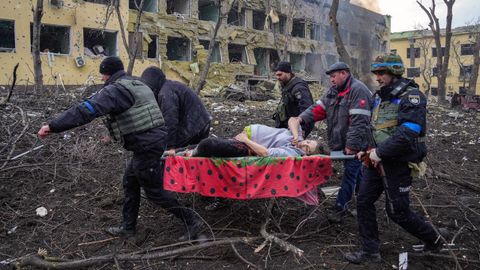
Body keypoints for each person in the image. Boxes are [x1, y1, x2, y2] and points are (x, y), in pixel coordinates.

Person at [37, 56, 203, 241]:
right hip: (151, 142)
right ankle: (128, 228)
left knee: (154, 191)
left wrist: (53, 126)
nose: (101, 79)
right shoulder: (135, 83)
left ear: (108, 75)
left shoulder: (116, 91)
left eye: (103, 75)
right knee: (130, 181)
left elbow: (86, 110)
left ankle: (192, 220)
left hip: (147, 145)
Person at [344, 54, 446, 263]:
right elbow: (374, 128)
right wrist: (365, 149)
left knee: (398, 212)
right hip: (375, 161)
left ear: (394, 72)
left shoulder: (412, 97)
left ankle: (434, 241)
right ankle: (370, 251)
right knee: (363, 201)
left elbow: (409, 133)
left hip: (397, 163)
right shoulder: (380, 97)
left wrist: (379, 153)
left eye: (382, 73)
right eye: (376, 73)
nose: (378, 77)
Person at [288, 62, 373, 222]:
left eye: (334, 77)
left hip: (359, 143)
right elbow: (318, 109)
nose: (331, 80)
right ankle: (364, 200)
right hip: (342, 141)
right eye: (330, 77)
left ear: (344, 73)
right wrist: (301, 118)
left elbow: (359, 122)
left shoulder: (358, 90)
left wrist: (352, 146)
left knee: (350, 173)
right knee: (359, 171)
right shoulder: (333, 92)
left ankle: (340, 207)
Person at [140, 66, 211, 151]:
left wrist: (170, 148)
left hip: (195, 127)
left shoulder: (165, 93)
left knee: (169, 151)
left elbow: (170, 120)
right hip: (199, 123)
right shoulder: (168, 87)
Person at [273, 61, 314, 137]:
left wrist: (302, 130)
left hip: (297, 127)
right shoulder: (287, 84)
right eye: (276, 75)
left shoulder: (299, 88)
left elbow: (307, 109)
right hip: (287, 126)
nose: (277, 77)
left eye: (280, 75)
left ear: (288, 73)